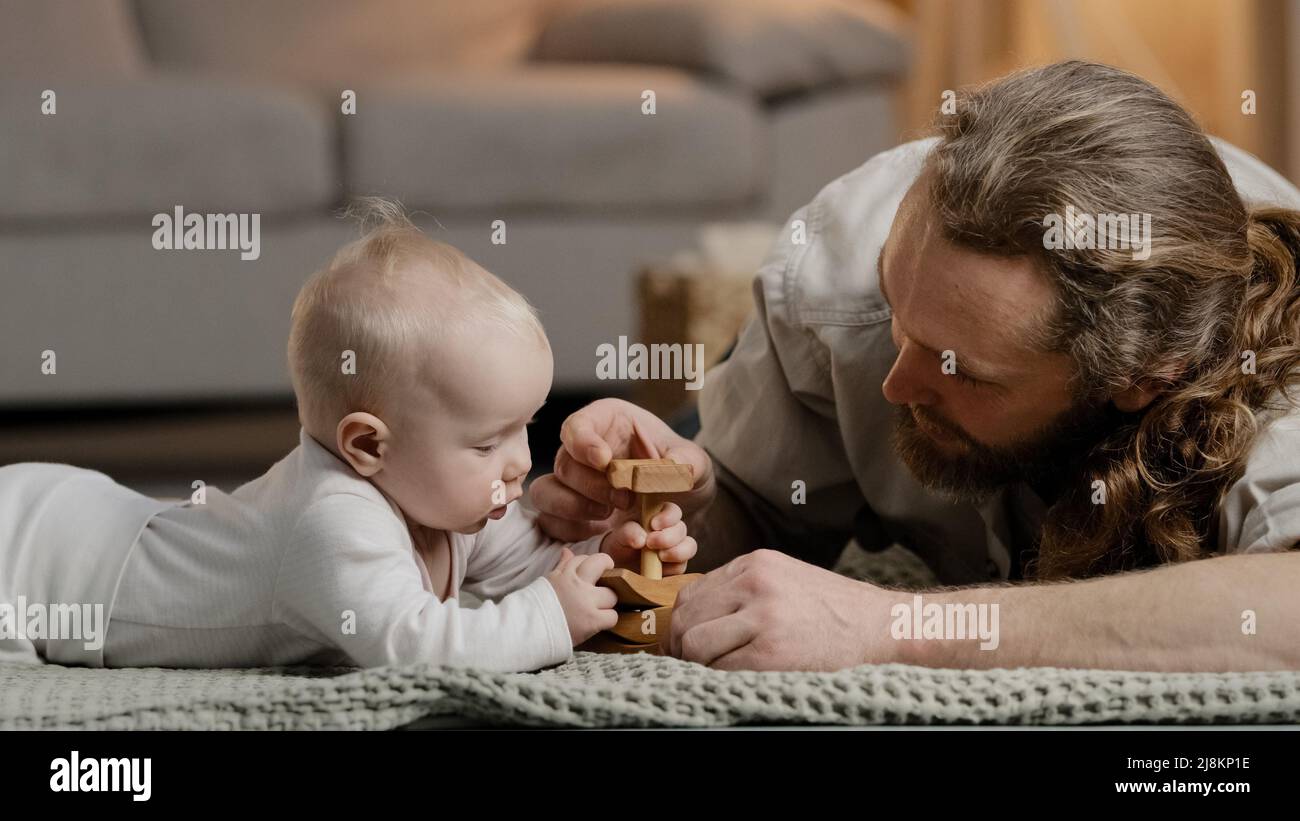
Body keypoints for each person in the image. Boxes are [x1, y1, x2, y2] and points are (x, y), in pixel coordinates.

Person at [530, 61, 1300, 672]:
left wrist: (895, 626)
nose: (896, 385)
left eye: (963, 369)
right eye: (902, 322)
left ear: (1142, 377)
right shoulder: (839, 277)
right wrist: (685, 506)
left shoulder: (1268, 357)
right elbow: (758, 505)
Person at [0, 201, 695, 670]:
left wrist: (606, 555)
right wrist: (548, 617)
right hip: (31, 551)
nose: (519, 464)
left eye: (526, 427)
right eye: (487, 443)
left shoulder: (440, 493)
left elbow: (525, 561)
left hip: (102, 514)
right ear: (367, 446)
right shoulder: (331, 522)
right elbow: (416, 646)